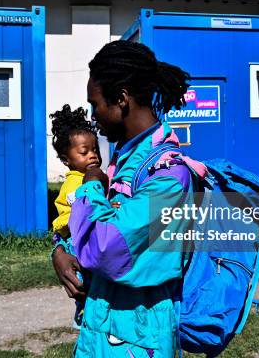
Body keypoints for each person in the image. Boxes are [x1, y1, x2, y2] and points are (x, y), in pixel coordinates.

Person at [51, 40, 202, 357]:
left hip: (138, 341)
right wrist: (60, 250)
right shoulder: (126, 163)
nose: (93, 117)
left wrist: (91, 186)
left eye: (96, 105)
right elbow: (94, 226)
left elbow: (106, 247)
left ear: (121, 99)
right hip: (105, 328)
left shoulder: (168, 177)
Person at [49, 104, 101, 328]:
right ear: (65, 159)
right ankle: (83, 312)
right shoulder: (75, 183)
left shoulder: (89, 177)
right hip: (75, 240)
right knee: (85, 281)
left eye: (94, 150)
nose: (92, 156)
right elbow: (81, 213)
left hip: (79, 237)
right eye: (84, 152)